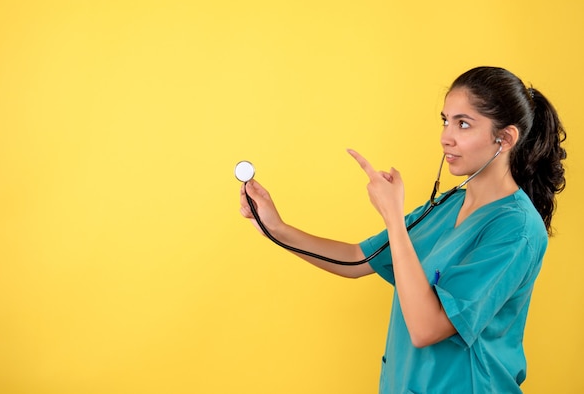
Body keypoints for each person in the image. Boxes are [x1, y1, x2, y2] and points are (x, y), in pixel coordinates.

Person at [238, 66, 567, 393]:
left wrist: (393, 216)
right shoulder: (447, 206)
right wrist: (275, 227)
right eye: (445, 120)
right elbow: (356, 259)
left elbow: (426, 328)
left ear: (505, 138)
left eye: (463, 124)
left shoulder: (517, 229)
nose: (445, 137)